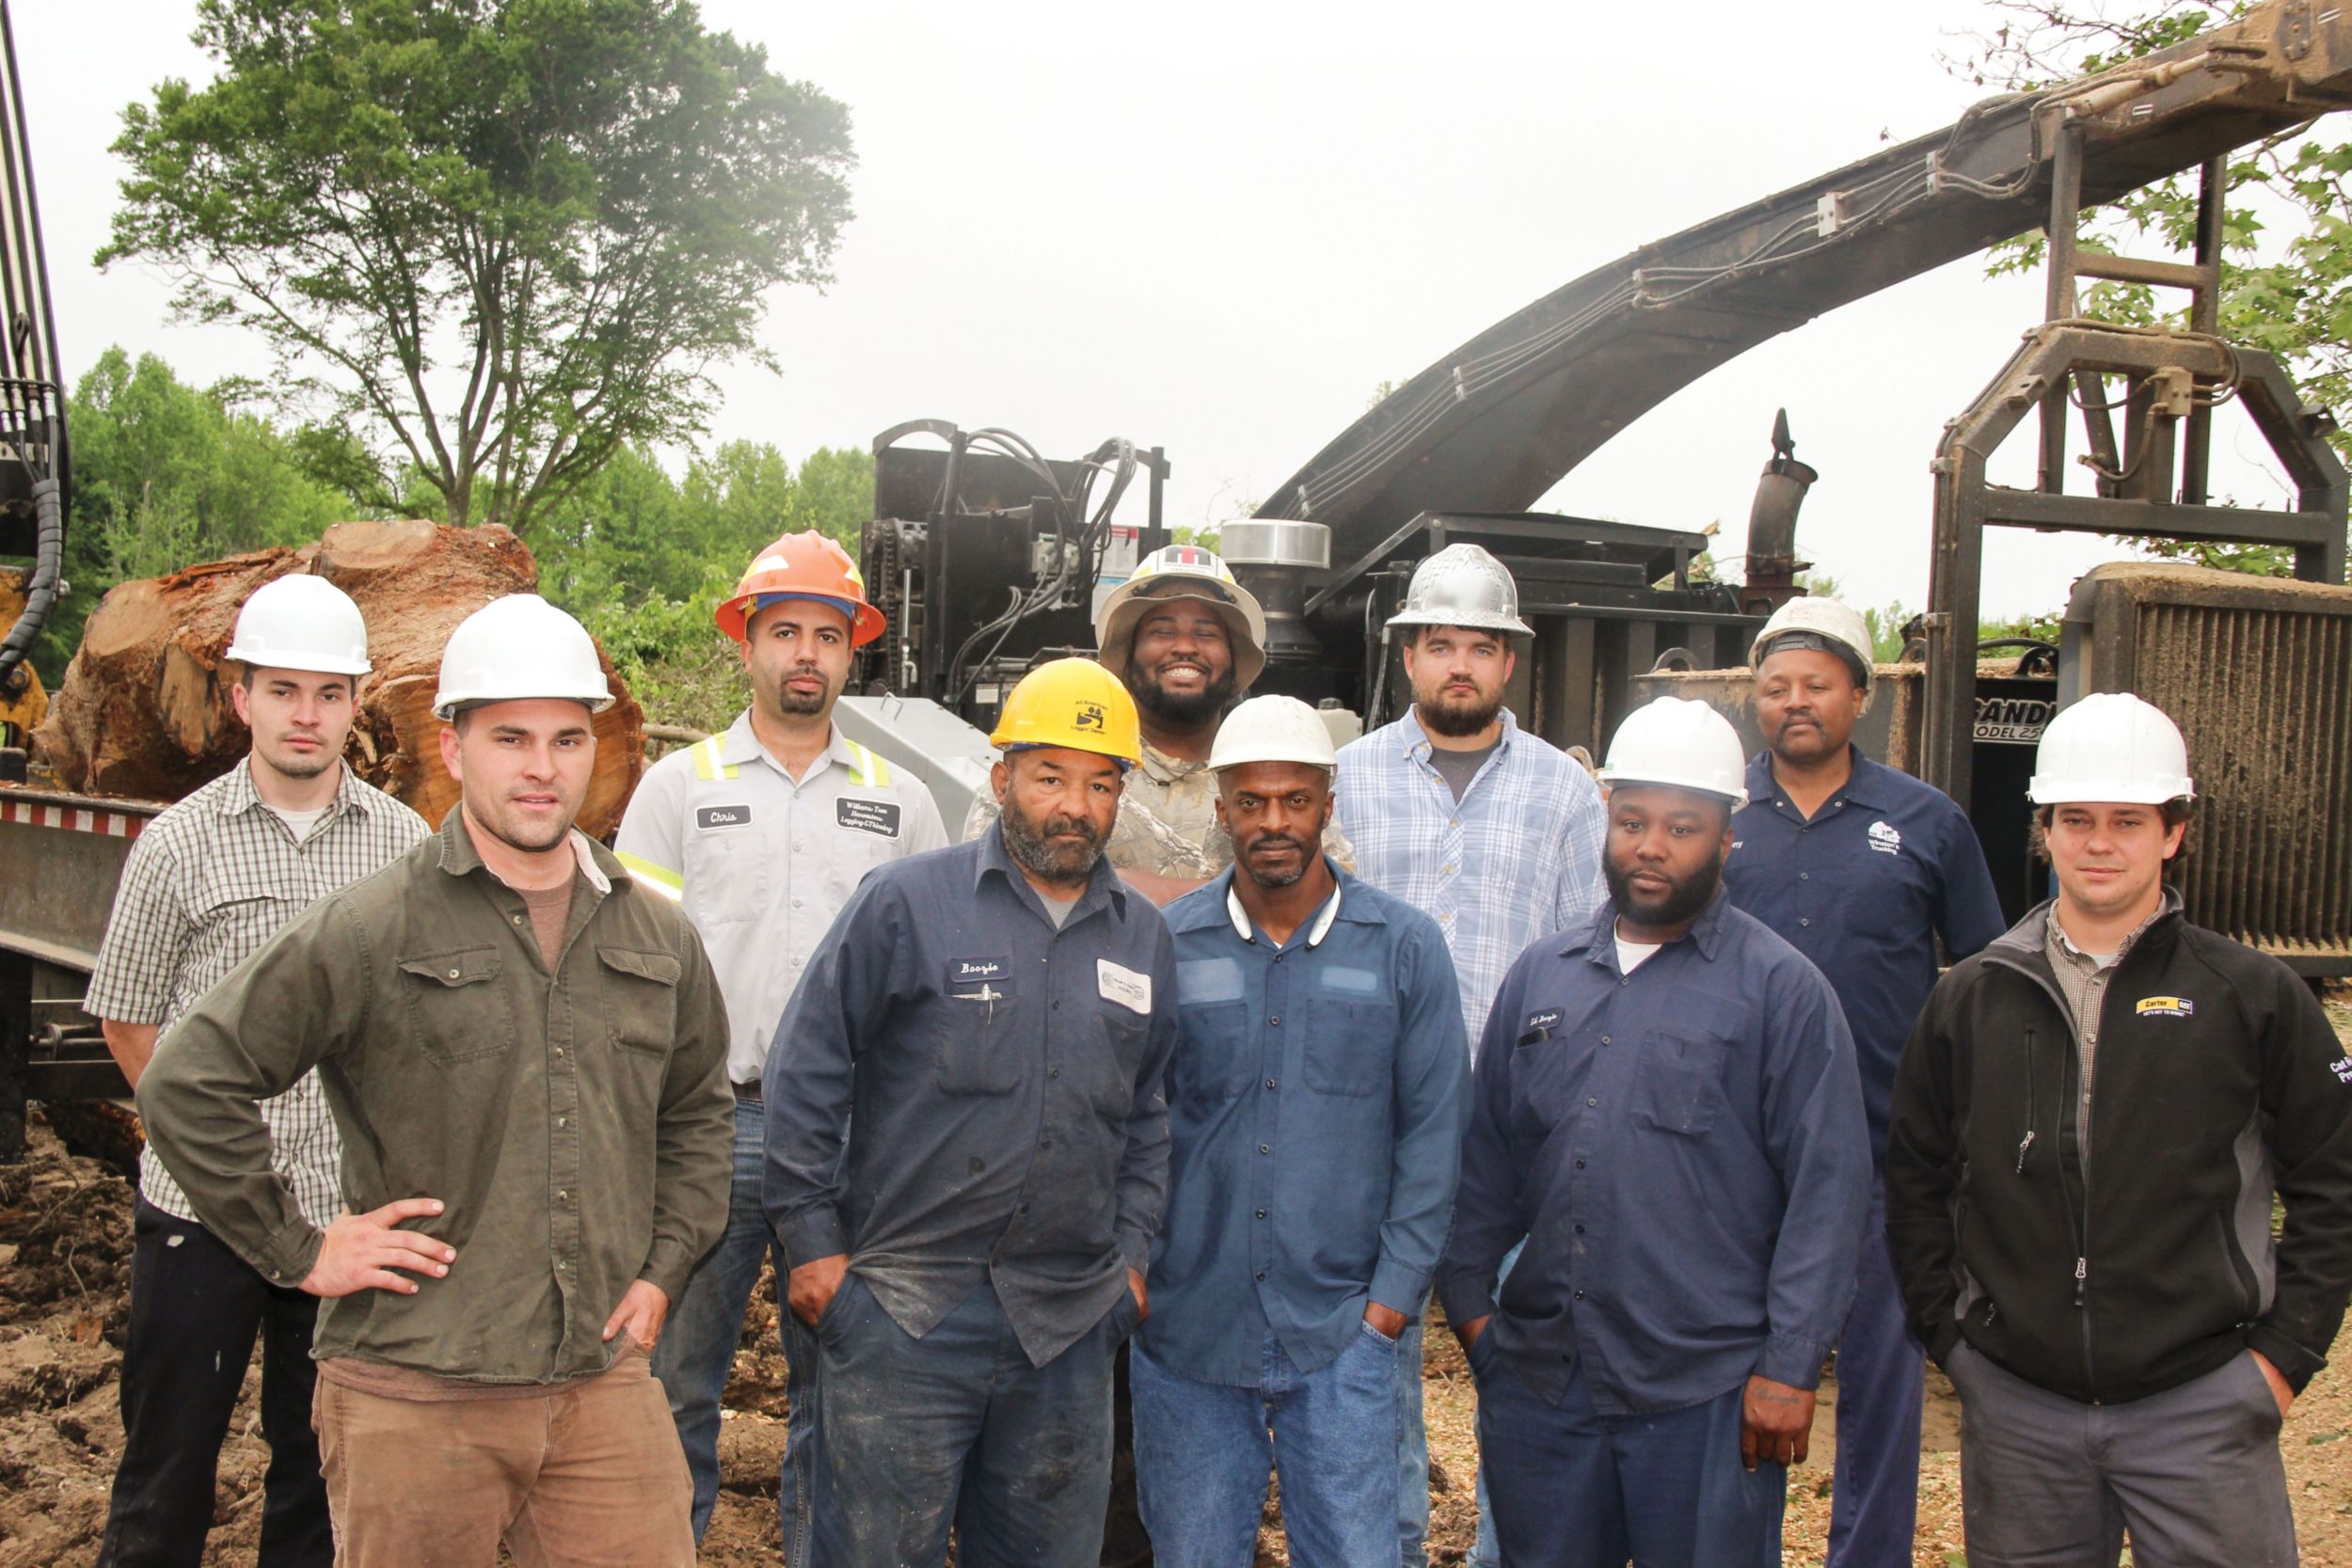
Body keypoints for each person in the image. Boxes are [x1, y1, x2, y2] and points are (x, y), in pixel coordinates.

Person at [136, 594, 734, 1568]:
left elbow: (700, 1111)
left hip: (598, 1380)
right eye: (510, 737)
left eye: (566, 738)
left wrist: (665, 1265)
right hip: (417, 1389)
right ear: (454, 748)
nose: (542, 767)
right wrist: (297, 1248)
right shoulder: (376, 923)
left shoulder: (653, 933)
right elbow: (189, 1076)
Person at [1887, 692, 2352, 1568]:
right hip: (2022, 1412)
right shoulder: (1972, 996)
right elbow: (1915, 1175)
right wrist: (1955, 1343)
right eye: (2077, 819)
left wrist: (2281, 1358)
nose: (2100, 842)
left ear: (2172, 832)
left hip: (2205, 1402)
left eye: (2127, 821)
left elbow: (2336, 1177)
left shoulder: (2250, 995)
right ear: (2046, 830)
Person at [1437, 696, 1871, 1568]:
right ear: (1607, 817)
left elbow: (1829, 1190)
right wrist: (1477, 1312)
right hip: (1545, 1387)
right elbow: (1485, 1162)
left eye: (1682, 826)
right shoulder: (1543, 976)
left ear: (1725, 838)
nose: (1651, 845)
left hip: (1706, 1396)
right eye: (1633, 820)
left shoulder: (1781, 991)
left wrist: (1789, 1367)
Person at [765, 657, 1180, 1568]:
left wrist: (1134, 1259)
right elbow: (808, 1067)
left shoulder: (1142, 936)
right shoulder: (907, 903)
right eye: (1049, 776)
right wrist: (813, 1247)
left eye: (1100, 782)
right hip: (905, 1311)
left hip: (1065, 1327)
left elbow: (1149, 1111)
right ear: (1002, 779)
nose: (1074, 804)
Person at [83, 575, 429, 1568]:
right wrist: (208, 1150)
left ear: (357, 702)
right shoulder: (178, 844)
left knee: (316, 1478)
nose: (306, 715)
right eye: (284, 690)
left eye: (328, 692)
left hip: (338, 1218)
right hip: (202, 1219)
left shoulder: (403, 849)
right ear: (241, 698)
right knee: (165, 1470)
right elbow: (129, 1015)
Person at [614, 531, 946, 1549]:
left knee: (842, 1395)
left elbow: (930, 985)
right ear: (745, 643)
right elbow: (629, 972)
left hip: (854, 1144)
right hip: (713, 1125)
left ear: (854, 654)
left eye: (828, 635)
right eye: (785, 631)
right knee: (673, 1384)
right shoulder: (679, 789)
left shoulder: (902, 803)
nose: (807, 652)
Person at [1131, 696, 1470, 1567]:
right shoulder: (1170, 944)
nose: (1273, 821)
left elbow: (1433, 1138)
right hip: (1189, 1336)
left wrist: (1388, 1307)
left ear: (1328, 802)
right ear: (1221, 808)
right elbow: (1132, 1121)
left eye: (1294, 799)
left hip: (1346, 1339)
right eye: (1251, 800)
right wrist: (1136, 1272)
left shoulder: (1403, 947)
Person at [1333, 541, 1608, 1567]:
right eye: (1438, 643)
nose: (1460, 665)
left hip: (1518, 1129)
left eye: (1481, 647)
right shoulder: (1345, 779)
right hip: (1371, 1118)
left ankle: (1512, 1548)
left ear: (1509, 663)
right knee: (1373, 1353)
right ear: (1406, 656)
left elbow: (1595, 963)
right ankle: (1389, 1544)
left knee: (1525, 1356)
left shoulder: (1564, 796)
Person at [1720, 595, 2006, 1568]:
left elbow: (1981, 978)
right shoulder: (1716, 817)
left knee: (1883, 1379)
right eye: (1775, 686)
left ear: (1861, 693)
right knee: (1739, 1371)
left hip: (1887, 1150)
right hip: (1735, 1154)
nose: (1794, 702)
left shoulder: (1927, 822)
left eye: (1816, 684)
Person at [964, 543, 1351, 905]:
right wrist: (1233, 898)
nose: (1185, 646)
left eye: (1207, 633)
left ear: (1235, 658)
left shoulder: (1269, 771)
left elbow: (1327, 895)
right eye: (1162, 631)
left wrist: (1114, 887)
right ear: (1128, 652)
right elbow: (999, 885)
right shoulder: (1068, 761)